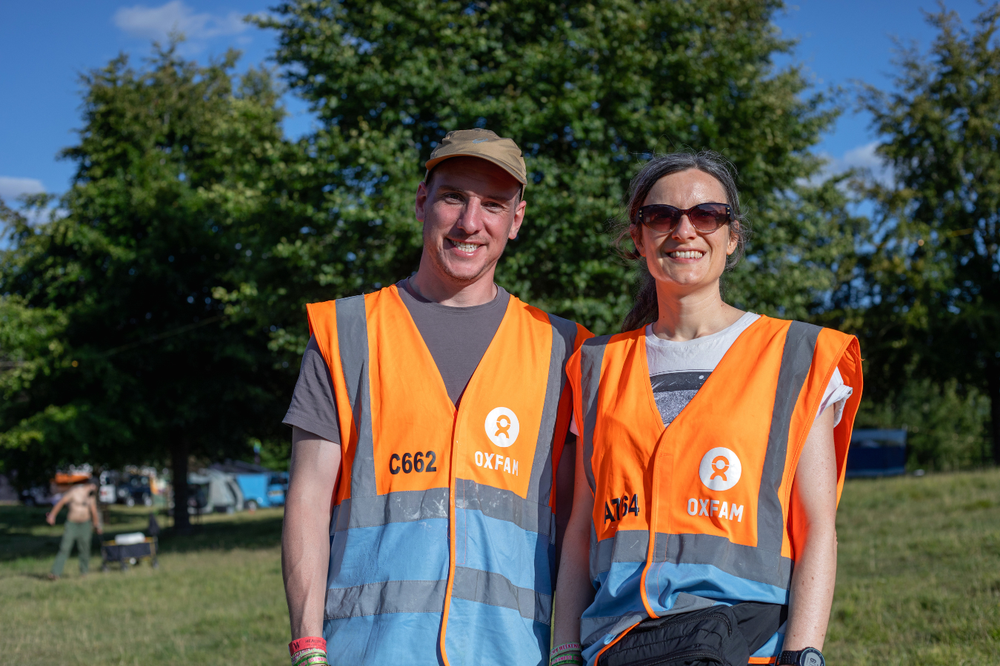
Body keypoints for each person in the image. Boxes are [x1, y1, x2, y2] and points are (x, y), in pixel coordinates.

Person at [281, 129, 590, 666]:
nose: (471, 222)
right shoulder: (345, 332)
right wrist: (309, 647)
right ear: (422, 202)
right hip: (369, 654)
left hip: (512, 654)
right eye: (454, 197)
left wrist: (566, 650)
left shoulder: (564, 350)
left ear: (516, 221)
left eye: (493, 205)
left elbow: (576, 525)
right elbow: (307, 498)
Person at [552, 152, 862, 666]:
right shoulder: (595, 366)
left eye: (707, 215)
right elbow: (582, 529)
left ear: (732, 235)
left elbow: (817, 527)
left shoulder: (798, 358)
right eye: (661, 216)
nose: (684, 230)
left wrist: (803, 653)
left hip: (746, 647)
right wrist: (565, 651)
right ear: (639, 238)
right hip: (616, 647)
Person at [46, 478, 102, 579]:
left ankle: (84, 572)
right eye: (94, 488)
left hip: (85, 524)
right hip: (72, 524)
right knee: (65, 547)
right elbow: (61, 502)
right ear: (90, 485)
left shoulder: (91, 496)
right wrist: (52, 515)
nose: (94, 491)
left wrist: (96, 525)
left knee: (85, 549)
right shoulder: (75, 491)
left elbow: (93, 512)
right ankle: (55, 573)